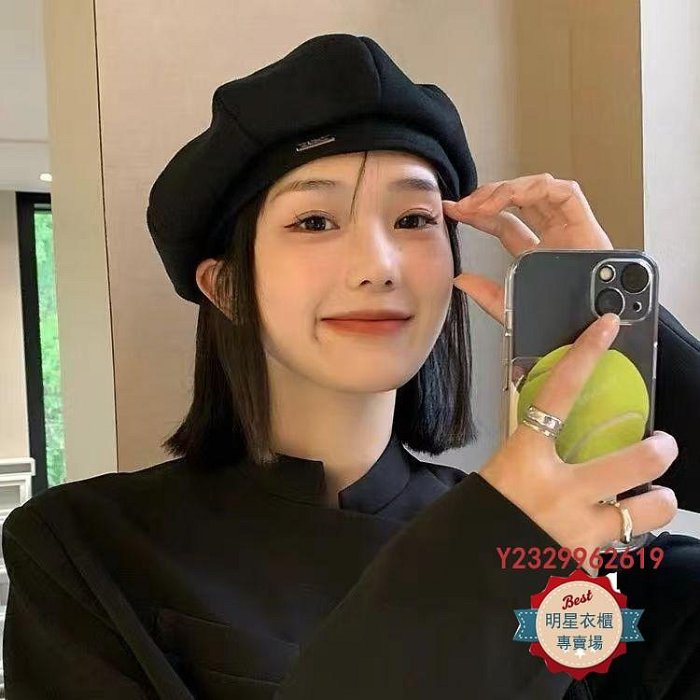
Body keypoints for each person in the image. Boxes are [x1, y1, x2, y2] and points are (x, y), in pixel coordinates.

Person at [2, 33, 699, 700]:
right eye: (315, 222)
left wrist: (618, 333)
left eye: (415, 221)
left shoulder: (577, 544)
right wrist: (487, 552)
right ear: (226, 286)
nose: (379, 266)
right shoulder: (84, 549)